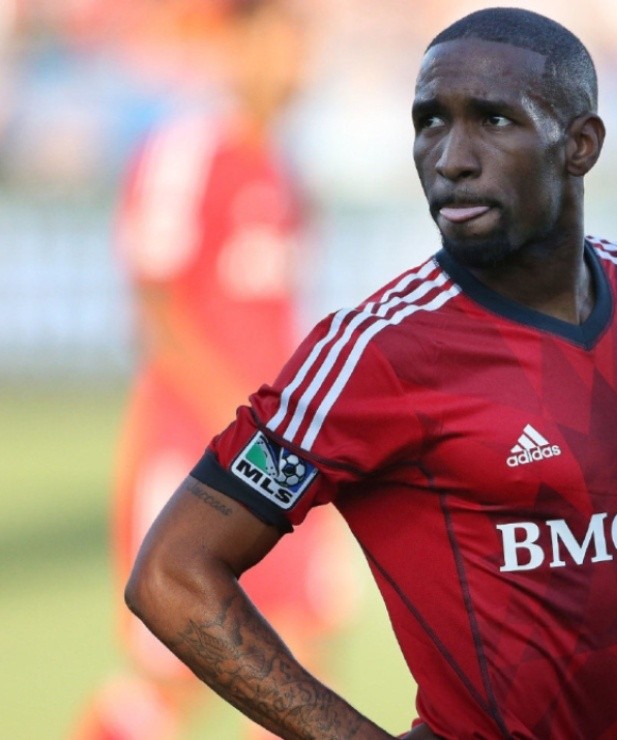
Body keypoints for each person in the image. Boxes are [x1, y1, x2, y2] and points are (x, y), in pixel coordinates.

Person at [124, 7, 617, 739]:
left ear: (580, 145)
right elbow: (173, 574)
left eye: (492, 120)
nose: (451, 155)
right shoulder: (375, 352)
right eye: (430, 121)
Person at [75, 2, 355, 738]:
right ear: (239, 44)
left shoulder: (282, 166)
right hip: (198, 447)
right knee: (169, 676)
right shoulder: (188, 149)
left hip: (277, 452)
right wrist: (227, 422)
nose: (295, 61)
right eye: (281, 41)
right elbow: (156, 302)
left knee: (303, 661)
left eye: (303, 45)